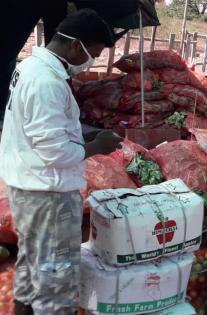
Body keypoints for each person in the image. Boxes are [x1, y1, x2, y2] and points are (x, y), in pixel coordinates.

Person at [0, 9, 123, 315]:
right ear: (74, 46)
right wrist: (96, 145)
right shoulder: (47, 83)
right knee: (56, 280)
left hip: (27, 183)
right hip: (47, 194)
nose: (90, 61)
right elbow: (54, 151)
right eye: (91, 53)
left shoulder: (28, 66)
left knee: (30, 266)